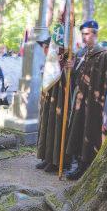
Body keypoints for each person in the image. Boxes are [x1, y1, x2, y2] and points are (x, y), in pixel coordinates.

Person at [65, 20, 107, 180]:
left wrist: (105, 108)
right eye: (82, 34)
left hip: (94, 105)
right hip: (80, 101)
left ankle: (86, 167)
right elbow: (78, 79)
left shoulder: (104, 54)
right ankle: (78, 164)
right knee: (78, 131)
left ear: (95, 34)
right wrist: (71, 69)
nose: (84, 37)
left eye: (87, 34)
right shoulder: (82, 53)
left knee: (90, 133)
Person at [35, 29, 70, 173]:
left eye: (46, 46)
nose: (44, 49)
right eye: (43, 47)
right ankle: (47, 157)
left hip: (59, 102)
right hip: (48, 101)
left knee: (55, 127)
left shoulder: (60, 65)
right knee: (46, 126)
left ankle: (56, 160)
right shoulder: (49, 64)